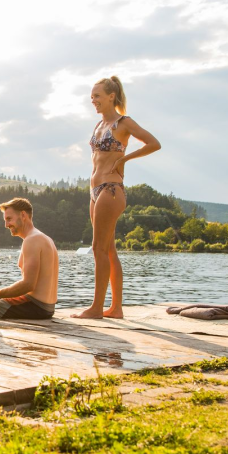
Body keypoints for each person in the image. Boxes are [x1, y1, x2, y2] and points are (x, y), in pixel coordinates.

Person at [72, 76, 160, 319]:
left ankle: (96, 308)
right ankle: (116, 308)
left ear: (111, 96)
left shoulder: (124, 122)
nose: (93, 100)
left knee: (98, 247)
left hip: (112, 189)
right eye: (92, 96)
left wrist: (125, 158)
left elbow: (154, 143)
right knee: (109, 249)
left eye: (97, 96)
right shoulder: (98, 125)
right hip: (95, 191)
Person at [0, 198, 58, 319]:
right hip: (47, 308)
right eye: (5, 220)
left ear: (23, 215)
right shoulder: (44, 238)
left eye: (9, 219)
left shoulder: (32, 240)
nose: (6, 225)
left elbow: (28, 284)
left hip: (34, 306)